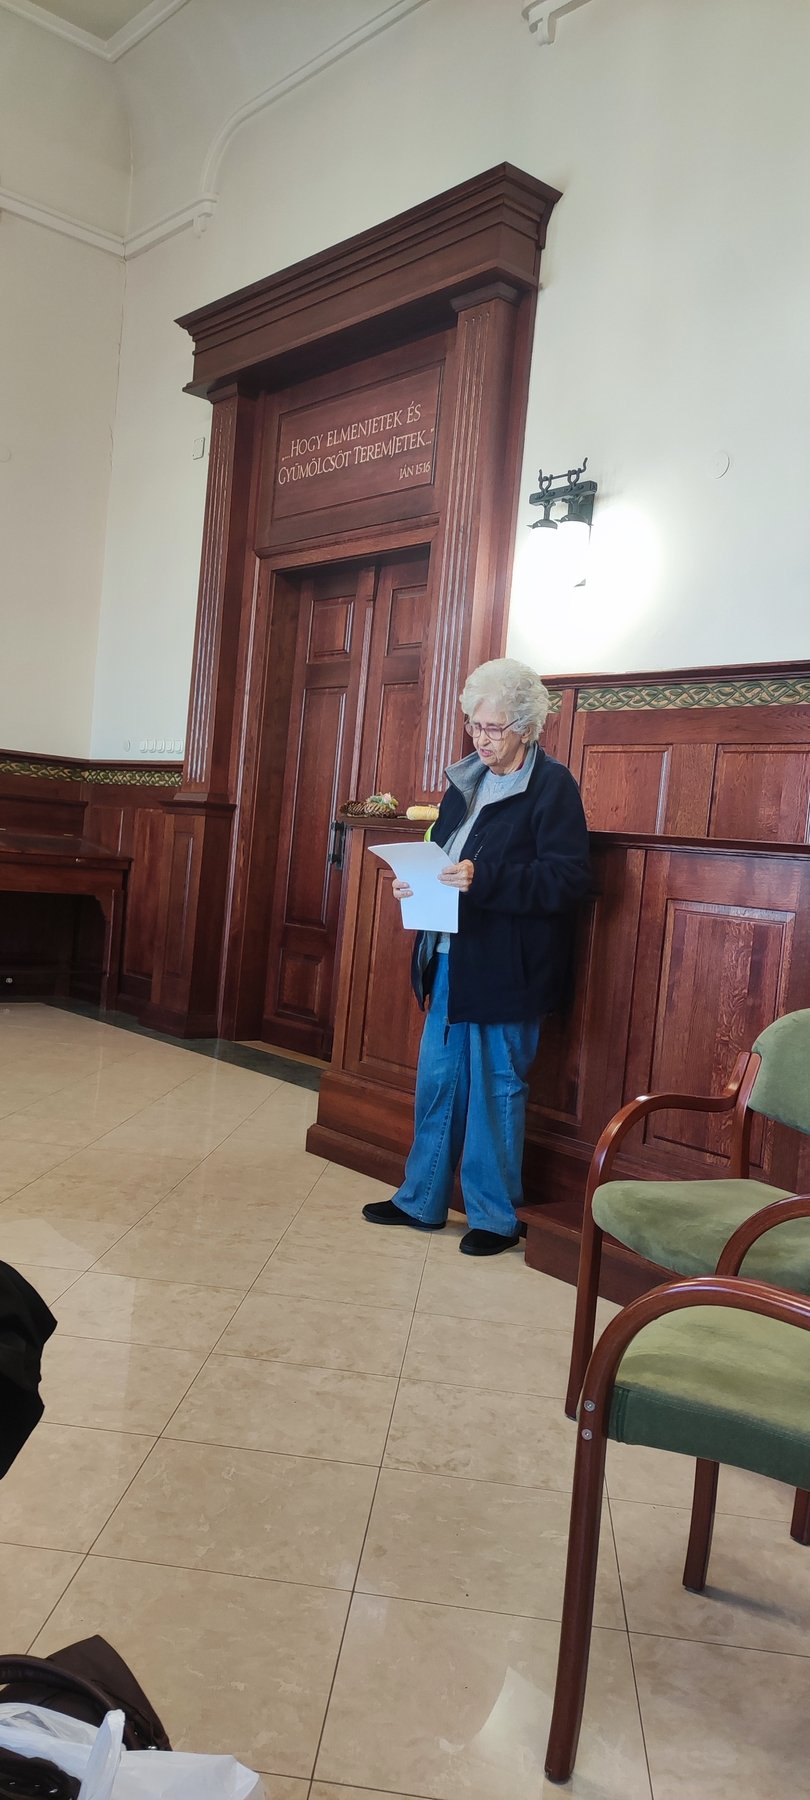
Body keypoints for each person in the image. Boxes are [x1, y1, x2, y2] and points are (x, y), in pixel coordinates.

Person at [362, 657, 590, 1255]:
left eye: (493, 728)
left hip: (508, 966)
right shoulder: (465, 782)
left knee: (495, 1089)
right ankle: (421, 1200)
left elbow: (568, 880)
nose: (481, 740)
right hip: (448, 955)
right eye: (474, 726)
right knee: (438, 1082)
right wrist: (414, 882)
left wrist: (483, 879)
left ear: (527, 727)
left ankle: (494, 1217)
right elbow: (442, 855)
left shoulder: (551, 786)